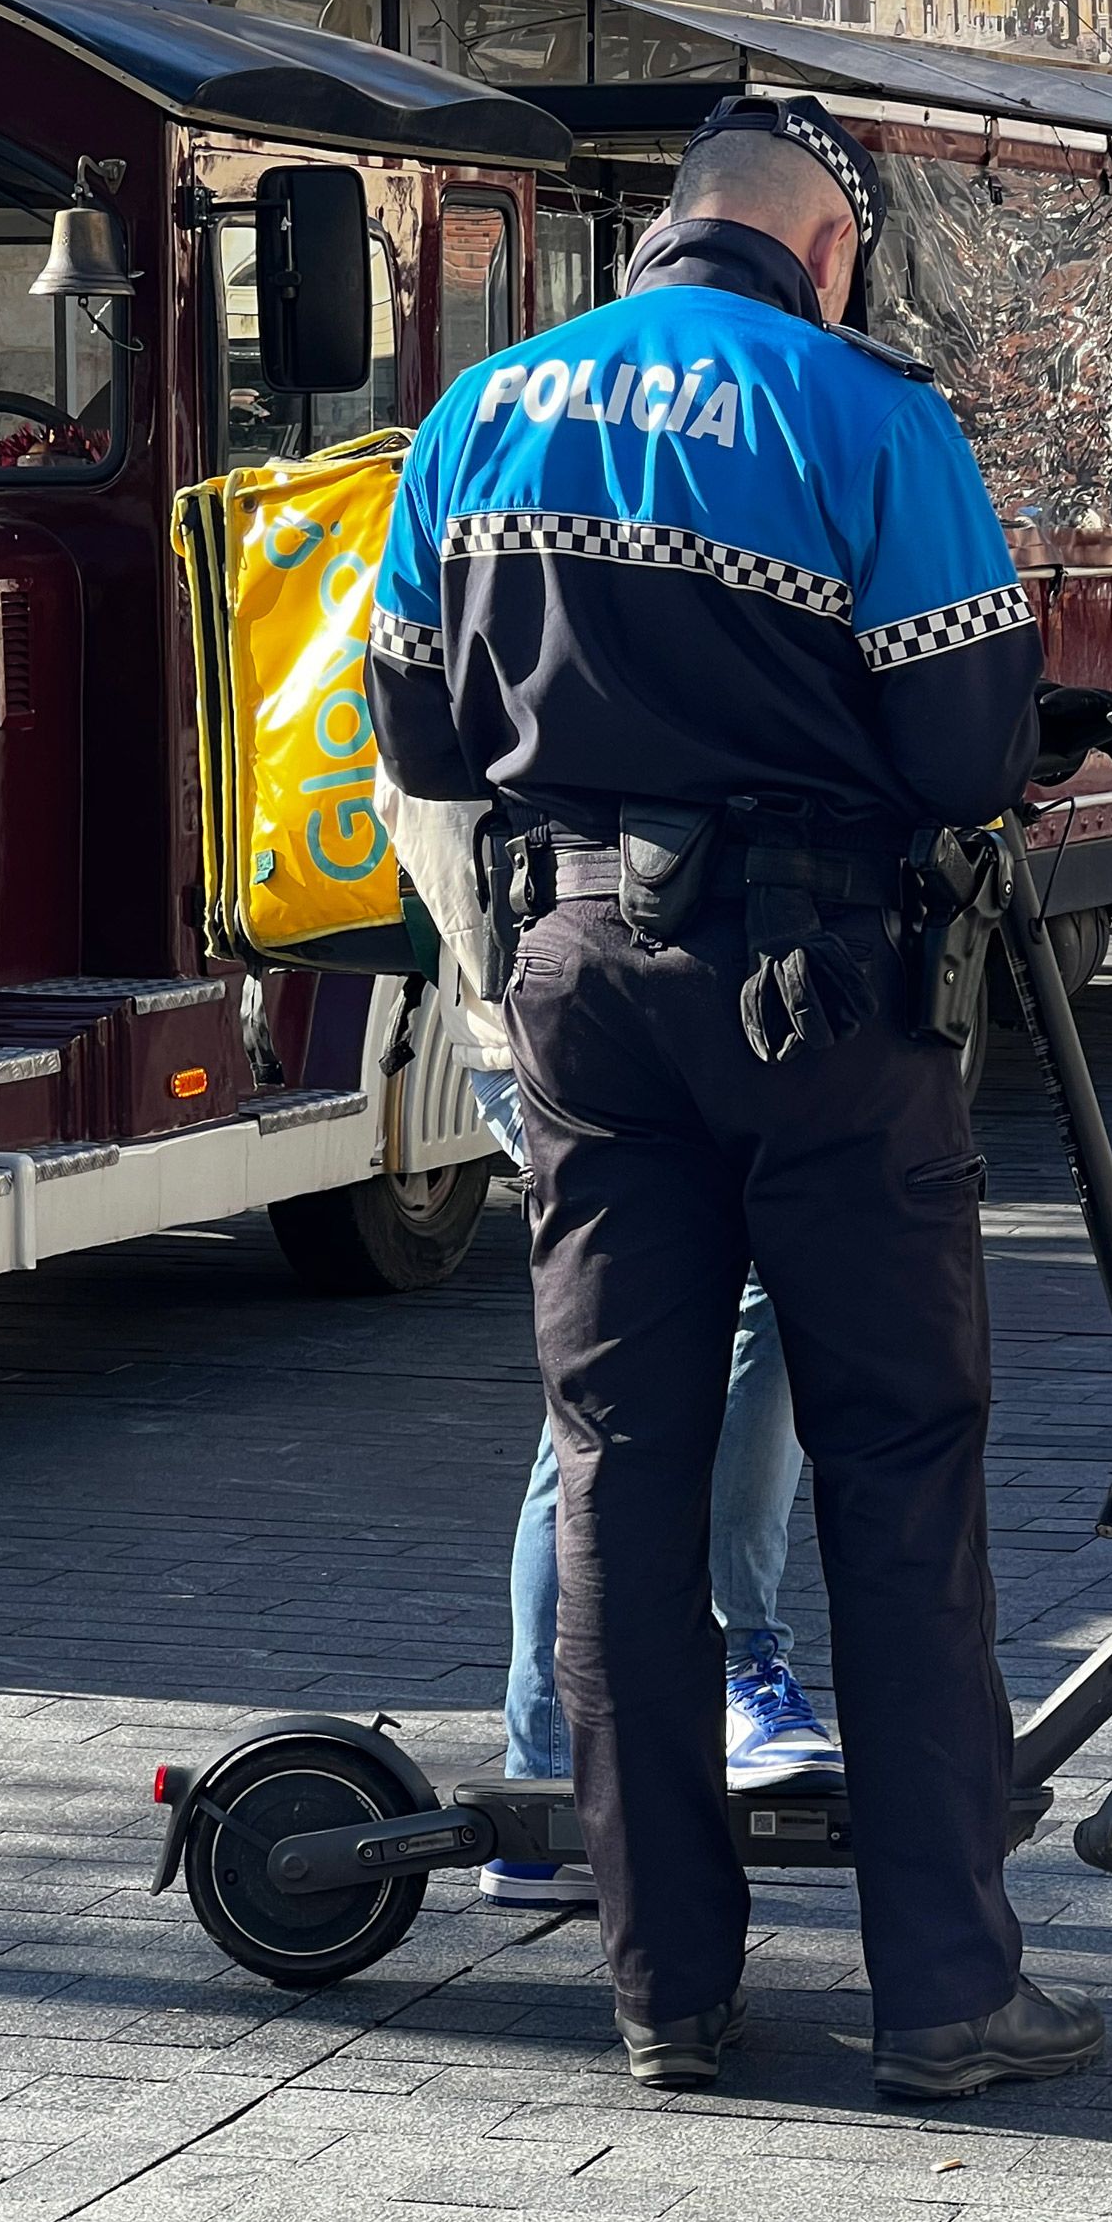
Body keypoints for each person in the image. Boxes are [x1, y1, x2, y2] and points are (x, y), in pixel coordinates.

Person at [367, 95, 1105, 2101]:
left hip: (581, 986)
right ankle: (945, 1991)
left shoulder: (481, 412)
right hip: (820, 997)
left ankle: (665, 1989)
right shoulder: (864, 415)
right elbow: (960, 746)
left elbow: (420, 727)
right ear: (824, 248)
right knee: (896, 1458)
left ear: (667, 226)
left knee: (623, 1463)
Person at [372, 778, 845, 1913]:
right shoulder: (470, 646)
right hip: (560, 1015)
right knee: (634, 1366)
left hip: (612, 1000)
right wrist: (526, 968)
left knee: (617, 1374)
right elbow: (429, 785)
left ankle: (552, 1776)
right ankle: (719, 1683)